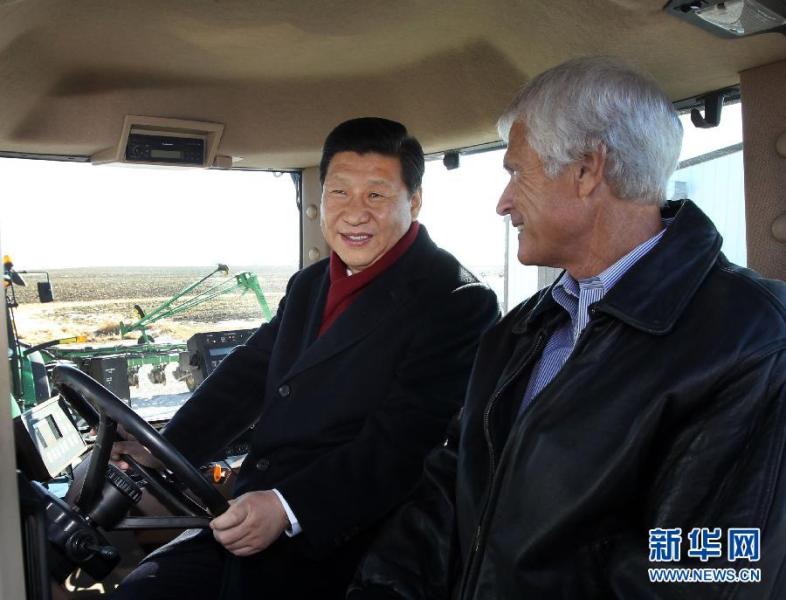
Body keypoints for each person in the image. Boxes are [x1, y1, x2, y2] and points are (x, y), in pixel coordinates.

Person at [350, 57, 786, 599]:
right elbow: (448, 491)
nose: (503, 202)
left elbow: (706, 574)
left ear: (587, 170)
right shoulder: (519, 331)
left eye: (516, 172)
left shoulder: (751, 338)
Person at [112, 117, 499, 599]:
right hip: (259, 506)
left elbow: (404, 444)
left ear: (414, 201)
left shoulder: (456, 300)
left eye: (376, 195)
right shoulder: (309, 284)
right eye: (339, 193)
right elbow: (247, 375)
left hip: (349, 538)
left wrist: (288, 506)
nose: (354, 214)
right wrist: (164, 449)